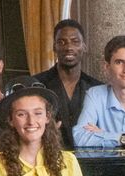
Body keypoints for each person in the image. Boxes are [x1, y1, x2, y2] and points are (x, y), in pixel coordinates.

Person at [33, 19, 104, 149]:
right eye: (61, 42)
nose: (69, 47)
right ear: (54, 47)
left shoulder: (97, 88)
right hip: (49, 159)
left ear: (84, 46)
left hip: (89, 161)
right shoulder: (36, 85)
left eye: (75, 41)